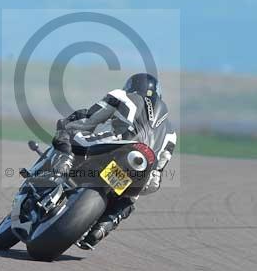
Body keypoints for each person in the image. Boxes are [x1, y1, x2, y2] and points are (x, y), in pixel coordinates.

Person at [50, 73, 177, 250]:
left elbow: (89, 118)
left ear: (132, 86)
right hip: (144, 167)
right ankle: (105, 225)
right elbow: (157, 176)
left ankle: (65, 162)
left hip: (119, 145)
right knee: (129, 199)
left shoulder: (122, 95)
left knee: (68, 129)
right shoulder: (171, 132)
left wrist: (68, 124)